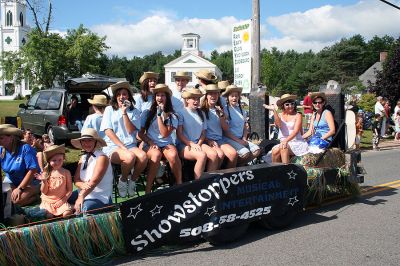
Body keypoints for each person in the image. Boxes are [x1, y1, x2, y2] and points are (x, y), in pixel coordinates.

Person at [100, 81, 148, 197]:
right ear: (115, 97)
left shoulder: (135, 111)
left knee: (143, 156)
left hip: (130, 145)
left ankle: (132, 180)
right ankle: (122, 180)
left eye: (124, 94)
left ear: (129, 96)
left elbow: (131, 131)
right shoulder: (109, 110)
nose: (122, 97)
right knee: (130, 156)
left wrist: (124, 113)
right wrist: (122, 146)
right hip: (113, 146)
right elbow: (108, 131)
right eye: (119, 94)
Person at [138, 84, 182, 193]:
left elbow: (164, 134)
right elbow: (140, 134)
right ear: (154, 97)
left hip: (166, 143)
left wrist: (159, 115)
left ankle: (179, 184)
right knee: (156, 154)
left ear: (167, 98)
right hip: (150, 143)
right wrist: (149, 141)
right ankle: (148, 189)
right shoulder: (147, 113)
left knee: (172, 155)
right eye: (157, 95)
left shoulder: (172, 115)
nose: (160, 98)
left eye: (163, 95)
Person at [177, 87, 218, 179]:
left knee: (214, 155)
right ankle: (198, 185)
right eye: (193, 98)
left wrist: (198, 144)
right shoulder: (180, 113)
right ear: (187, 100)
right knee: (202, 155)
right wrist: (191, 144)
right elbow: (179, 134)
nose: (196, 101)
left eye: (198, 99)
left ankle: (209, 182)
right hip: (184, 145)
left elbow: (203, 133)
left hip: (198, 143)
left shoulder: (201, 113)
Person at [69, 128, 113, 213]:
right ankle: (72, 208)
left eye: (89, 140)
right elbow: (76, 180)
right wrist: (82, 185)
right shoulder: (83, 157)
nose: (86, 143)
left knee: (85, 208)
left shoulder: (102, 157)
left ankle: (72, 209)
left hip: (100, 196)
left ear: (95, 142)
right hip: (83, 192)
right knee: (63, 199)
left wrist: (80, 197)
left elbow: (94, 182)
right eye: (84, 141)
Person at [0, 124, 40, 206]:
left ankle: (37, 195)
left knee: (16, 201)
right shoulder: (1, 150)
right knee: (5, 199)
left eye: (1, 138)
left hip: (32, 181)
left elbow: (33, 170)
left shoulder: (25, 148)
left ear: (11, 137)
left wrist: (20, 188)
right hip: (11, 180)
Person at [201, 84, 238, 168]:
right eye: (211, 94)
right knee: (219, 154)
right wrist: (208, 140)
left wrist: (221, 116)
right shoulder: (202, 111)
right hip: (206, 140)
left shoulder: (220, 110)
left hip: (219, 139)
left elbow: (226, 128)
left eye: (216, 93)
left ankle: (227, 177)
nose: (213, 96)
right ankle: (212, 178)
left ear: (218, 95)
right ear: (206, 96)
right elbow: (200, 131)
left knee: (233, 154)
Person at [222, 85, 261, 166]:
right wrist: (239, 141)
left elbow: (244, 126)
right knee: (245, 153)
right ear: (228, 97)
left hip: (240, 138)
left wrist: (244, 138)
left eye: (236, 96)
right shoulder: (225, 110)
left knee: (257, 150)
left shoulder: (241, 110)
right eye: (232, 96)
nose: (234, 98)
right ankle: (231, 169)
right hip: (229, 139)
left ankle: (238, 165)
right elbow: (225, 131)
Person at [264, 94, 308, 163]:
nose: (290, 106)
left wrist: (286, 141)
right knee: (275, 151)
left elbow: (295, 131)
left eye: (292, 104)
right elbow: (279, 125)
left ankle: (286, 170)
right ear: (283, 106)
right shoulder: (280, 115)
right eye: (287, 104)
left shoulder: (298, 115)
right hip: (284, 142)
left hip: (296, 141)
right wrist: (274, 111)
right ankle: (275, 171)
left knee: (283, 147)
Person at [36, 144, 73, 218]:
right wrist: (44, 181)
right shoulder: (46, 173)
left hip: (61, 200)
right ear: (49, 161)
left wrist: (62, 200)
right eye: (54, 160)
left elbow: (70, 190)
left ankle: (70, 207)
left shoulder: (66, 172)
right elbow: (44, 192)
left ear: (63, 159)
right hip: (48, 201)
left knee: (67, 214)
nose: (57, 162)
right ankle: (51, 212)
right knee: (49, 216)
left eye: (60, 160)